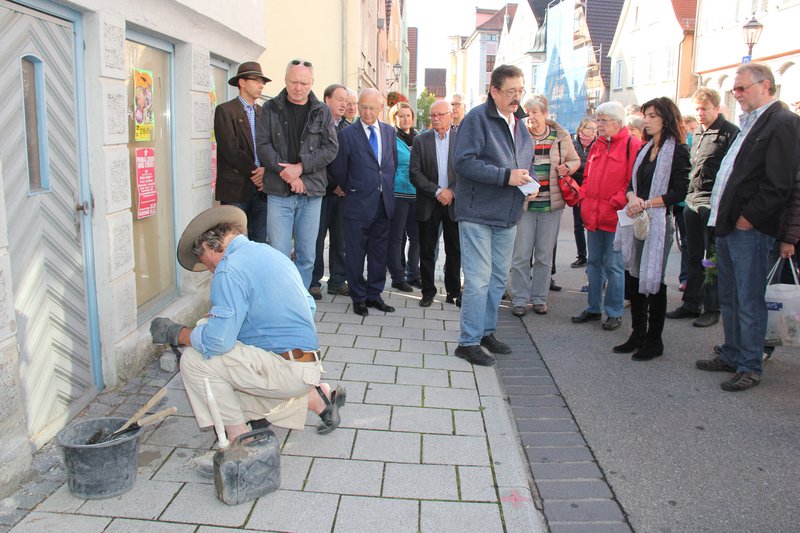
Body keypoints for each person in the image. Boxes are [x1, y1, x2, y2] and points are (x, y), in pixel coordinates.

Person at [149, 206, 346, 476]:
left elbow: (218, 342)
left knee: (196, 360)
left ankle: (240, 445)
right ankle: (314, 398)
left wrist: (178, 333)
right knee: (228, 379)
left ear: (209, 245)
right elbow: (308, 307)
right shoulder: (270, 254)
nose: (208, 269)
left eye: (204, 260)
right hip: (307, 363)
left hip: (288, 370)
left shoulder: (228, 269)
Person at [696, 63, 800, 391]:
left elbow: (779, 183)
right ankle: (732, 352)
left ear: (765, 85)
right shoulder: (751, 121)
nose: (737, 94)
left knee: (749, 300)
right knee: (729, 296)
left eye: (742, 88)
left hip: (750, 229)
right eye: (735, 89)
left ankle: (750, 364)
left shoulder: (783, 122)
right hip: (729, 224)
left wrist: (748, 218)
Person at [452, 64, 537, 366]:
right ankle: (468, 342)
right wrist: (506, 177)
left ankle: (486, 331)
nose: (517, 97)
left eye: (520, 91)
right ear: (494, 91)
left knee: (498, 278)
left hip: (508, 214)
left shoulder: (519, 123)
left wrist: (529, 182)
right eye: (511, 91)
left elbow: (526, 160)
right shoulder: (477, 118)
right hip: (477, 212)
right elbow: (463, 162)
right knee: (477, 280)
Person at [615, 97, 690, 361]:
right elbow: (630, 184)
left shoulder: (678, 151)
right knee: (634, 277)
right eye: (645, 115)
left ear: (666, 119)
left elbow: (680, 192)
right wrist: (632, 198)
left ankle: (654, 340)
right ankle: (637, 333)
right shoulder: (644, 149)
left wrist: (647, 203)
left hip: (658, 221)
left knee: (654, 279)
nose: (646, 120)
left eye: (652, 116)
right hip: (637, 218)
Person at [257, 59, 339, 292]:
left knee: (307, 255)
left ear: (312, 83)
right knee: (279, 255)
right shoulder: (270, 108)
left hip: (311, 193)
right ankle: (281, 301)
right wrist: (288, 174)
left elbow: (331, 148)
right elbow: (263, 146)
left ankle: (299, 301)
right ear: (285, 80)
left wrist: (301, 168)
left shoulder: (322, 111)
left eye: (304, 83)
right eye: (294, 82)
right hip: (278, 192)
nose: (298, 87)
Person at [666, 88, 739, 327]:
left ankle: (711, 307)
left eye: (704, 108)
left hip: (713, 202)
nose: (700, 113)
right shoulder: (697, 132)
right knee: (693, 255)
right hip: (693, 200)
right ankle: (691, 303)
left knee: (712, 259)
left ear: (716, 108)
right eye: (697, 109)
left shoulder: (730, 132)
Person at [572, 102, 642, 332]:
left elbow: (633, 182)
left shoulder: (632, 145)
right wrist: (584, 196)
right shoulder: (598, 145)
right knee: (593, 263)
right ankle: (593, 307)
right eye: (597, 120)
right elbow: (588, 176)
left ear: (618, 123)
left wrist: (615, 201)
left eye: (603, 120)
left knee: (614, 266)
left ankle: (614, 312)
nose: (598, 125)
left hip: (615, 216)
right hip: (593, 214)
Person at [508, 94, 579, 317]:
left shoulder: (560, 135)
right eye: (527, 114)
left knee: (544, 255)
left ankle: (539, 298)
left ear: (545, 113)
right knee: (521, 255)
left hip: (551, 205)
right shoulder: (519, 135)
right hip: (525, 205)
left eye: (535, 113)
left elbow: (575, 160)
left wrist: (567, 167)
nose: (531, 118)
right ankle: (520, 299)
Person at [330, 88, 398, 316]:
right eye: (363, 107)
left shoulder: (389, 132)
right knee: (355, 254)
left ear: (381, 108)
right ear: (358, 107)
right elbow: (340, 170)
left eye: (372, 108)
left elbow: (391, 164)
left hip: (384, 203)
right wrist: (354, 189)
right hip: (357, 204)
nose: (367, 112)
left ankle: (374, 294)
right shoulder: (347, 134)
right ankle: (358, 297)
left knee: (379, 253)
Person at [410, 99, 461, 308]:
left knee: (454, 250)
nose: (436, 118)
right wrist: (438, 191)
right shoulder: (421, 140)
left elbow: (467, 171)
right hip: (429, 201)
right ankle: (428, 292)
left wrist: (451, 192)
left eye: (440, 115)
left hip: (454, 204)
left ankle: (453, 292)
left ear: (451, 115)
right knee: (427, 250)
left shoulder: (462, 139)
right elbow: (415, 173)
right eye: (433, 115)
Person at [214, 61, 270, 243]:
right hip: (236, 190)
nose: (261, 85)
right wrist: (256, 173)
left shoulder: (263, 113)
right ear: (242, 82)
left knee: (259, 240)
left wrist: (265, 172)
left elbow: (270, 146)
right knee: (235, 242)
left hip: (261, 190)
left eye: (263, 82)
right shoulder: (225, 110)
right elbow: (230, 149)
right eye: (257, 80)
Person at [310, 84, 351, 300]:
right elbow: (315, 159)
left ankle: (337, 281)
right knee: (316, 240)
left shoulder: (348, 127)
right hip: (321, 192)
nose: (344, 104)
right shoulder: (316, 125)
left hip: (343, 195)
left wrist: (346, 185)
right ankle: (313, 282)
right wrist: (333, 185)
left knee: (340, 240)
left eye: (346, 100)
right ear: (327, 99)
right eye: (340, 99)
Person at [387, 102, 421, 293]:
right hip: (398, 193)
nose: (405, 119)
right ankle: (397, 277)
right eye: (401, 116)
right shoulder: (390, 138)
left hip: (417, 194)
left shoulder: (419, 138)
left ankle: (413, 274)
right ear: (395, 118)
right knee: (397, 237)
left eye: (408, 115)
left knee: (417, 237)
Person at [570, 116, 597, 268]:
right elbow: (569, 162)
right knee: (578, 224)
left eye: (594, 129)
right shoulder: (573, 144)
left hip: (591, 189)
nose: (593, 131)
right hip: (576, 188)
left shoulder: (598, 144)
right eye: (590, 128)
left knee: (592, 223)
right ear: (581, 129)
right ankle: (581, 255)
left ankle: (594, 257)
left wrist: (577, 166)